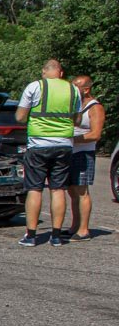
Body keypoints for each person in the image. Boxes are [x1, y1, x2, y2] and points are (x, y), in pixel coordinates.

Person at [14, 59, 81, 247]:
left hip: (38, 144)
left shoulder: (35, 87)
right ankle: (57, 235)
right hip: (64, 144)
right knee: (58, 189)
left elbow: (20, 116)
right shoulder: (73, 89)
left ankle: (31, 235)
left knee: (35, 189)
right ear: (61, 73)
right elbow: (77, 118)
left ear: (44, 72)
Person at [68, 75, 105, 241]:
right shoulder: (74, 105)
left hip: (84, 152)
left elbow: (95, 134)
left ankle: (84, 229)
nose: (72, 89)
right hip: (69, 151)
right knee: (72, 191)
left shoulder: (94, 107)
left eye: (76, 86)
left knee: (82, 190)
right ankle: (74, 226)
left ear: (86, 89)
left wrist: (73, 139)